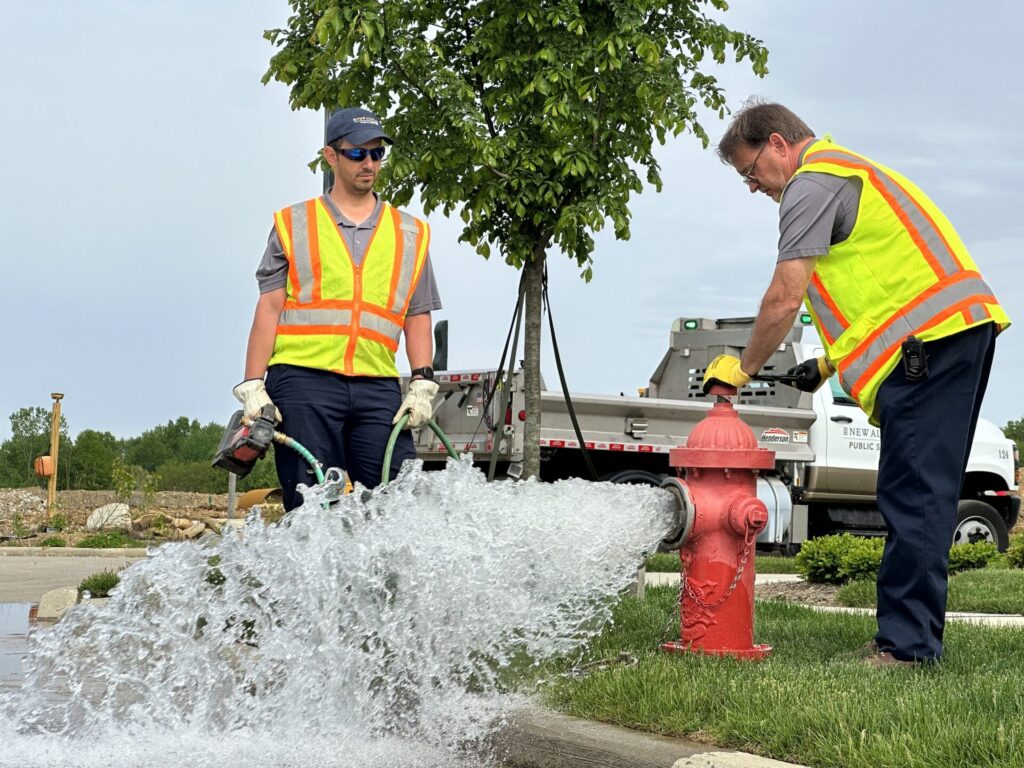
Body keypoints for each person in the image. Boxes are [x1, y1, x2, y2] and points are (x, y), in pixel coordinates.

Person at [705, 100, 1010, 667]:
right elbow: (881, 295)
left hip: (932, 346)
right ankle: (906, 637)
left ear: (777, 144)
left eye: (750, 172)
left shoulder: (811, 183)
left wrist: (742, 368)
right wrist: (825, 364)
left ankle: (908, 648)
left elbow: (784, 296)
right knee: (920, 495)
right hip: (947, 336)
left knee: (914, 497)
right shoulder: (846, 173)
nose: (752, 187)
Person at [234, 107, 442, 510]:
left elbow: (418, 314)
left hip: (377, 382)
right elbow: (270, 306)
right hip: (302, 382)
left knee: (399, 501)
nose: (369, 163)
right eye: (357, 154)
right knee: (312, 507)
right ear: (331, 157)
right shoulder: (295, 223)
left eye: (377, 153)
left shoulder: (410, 233)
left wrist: (421, 381)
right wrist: (253, 385)